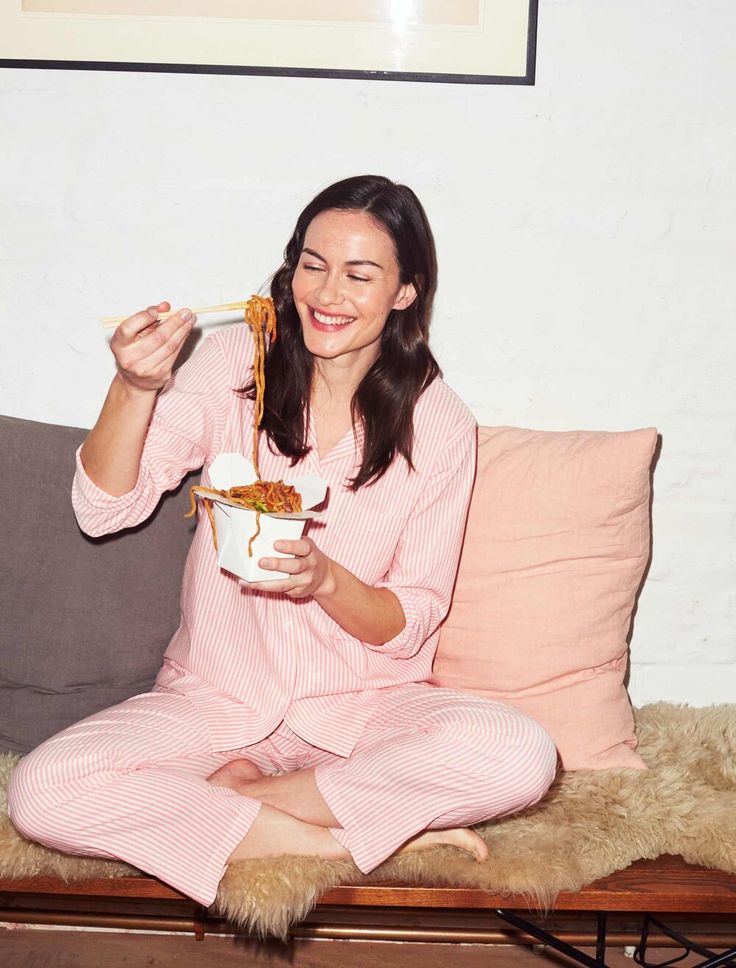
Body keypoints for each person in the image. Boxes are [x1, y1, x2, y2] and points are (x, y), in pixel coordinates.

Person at [8, 175, 557, 907]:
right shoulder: (236, 361)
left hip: (363, 709)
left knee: (522, 754)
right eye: (312, 263)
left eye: (360, 274)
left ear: (404, 293)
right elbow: (103, 509)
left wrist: (325, 580)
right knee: (44, 790)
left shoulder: (438, 419)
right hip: (216, 700)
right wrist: (134, 388)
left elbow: (411, 621)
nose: (327, 294)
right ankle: (330, 834)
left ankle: (254, 799)